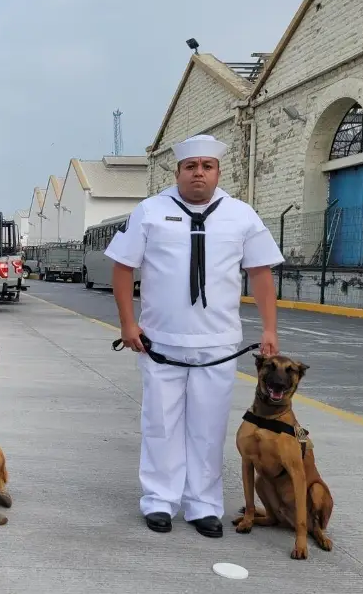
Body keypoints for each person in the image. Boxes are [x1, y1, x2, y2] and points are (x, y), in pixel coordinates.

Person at [103, 134, 283, 539]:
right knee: (161, 425)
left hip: (217, 345)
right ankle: (159, 500)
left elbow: (260, 273)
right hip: (160, 344)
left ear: (218, 171)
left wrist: (269, 328)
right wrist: (128, 324)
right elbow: (123, 267)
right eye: (191, 166)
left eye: (207, 166)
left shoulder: (240, 215)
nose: (198, 173)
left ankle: (203, 505)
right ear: (178, 171)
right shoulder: (151, 211)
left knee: (208, 428)